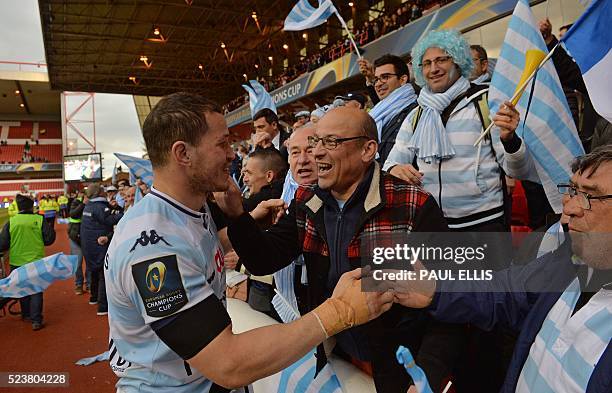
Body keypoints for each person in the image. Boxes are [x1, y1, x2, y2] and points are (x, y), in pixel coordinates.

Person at [104, 92, 393, 392]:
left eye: (328, 142)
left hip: (396, 365)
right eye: (222, 143)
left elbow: (439, 286)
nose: (232, 154)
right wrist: (338, 312)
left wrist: (244, 219)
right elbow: (228, 361)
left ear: (368, 149)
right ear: (183, 154)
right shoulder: (152, 246)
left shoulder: (408, 199)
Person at [219, 106, 461, 392]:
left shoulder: (413, 205)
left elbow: (449, 299)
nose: (316, 153)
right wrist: (238, 217)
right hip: (337, 357)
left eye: (331, 142)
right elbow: (264, 260)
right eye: (315, 141)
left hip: (402, 367)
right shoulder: (307, 201)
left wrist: (426, 376)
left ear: (368, 150)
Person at [390, 145, 612, 393]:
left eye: (590, 196)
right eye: (572, 190)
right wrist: (436, 290)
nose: (568, 210)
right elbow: (506, 291)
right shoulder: (568, 261)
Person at [0, 194, 55, 330]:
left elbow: (3, 244)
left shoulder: (11, 222)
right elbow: (49, 239)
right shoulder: (39, 219)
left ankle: (26, 314)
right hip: (36, 261)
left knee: (23, 289)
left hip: (17, 261)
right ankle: (36, 320)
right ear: (32, 206)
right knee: (36, 290)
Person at [358, 54, 419, 164]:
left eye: (385, 77)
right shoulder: (380, 111)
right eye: (376, 79)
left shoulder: (417, 111)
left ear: (403, 79)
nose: (378, 84)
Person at [80, 183, 123, 316]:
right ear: (100, 193)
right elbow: (110, 220)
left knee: (93, 271)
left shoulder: (89, 206)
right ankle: (103, 307)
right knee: (103, 274)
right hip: (100, 244)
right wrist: (124, 213)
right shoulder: (100, 207)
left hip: (89, 245)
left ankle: (93, 298)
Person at [69, 192, 88, 295]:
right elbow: (73, 214)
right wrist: (83, 204)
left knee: (90, 262)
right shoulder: (76, 202)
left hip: (88, 236)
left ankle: (89, 284)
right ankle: (79, 284)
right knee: (78, 262)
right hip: (75, 236)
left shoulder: (94, 204)